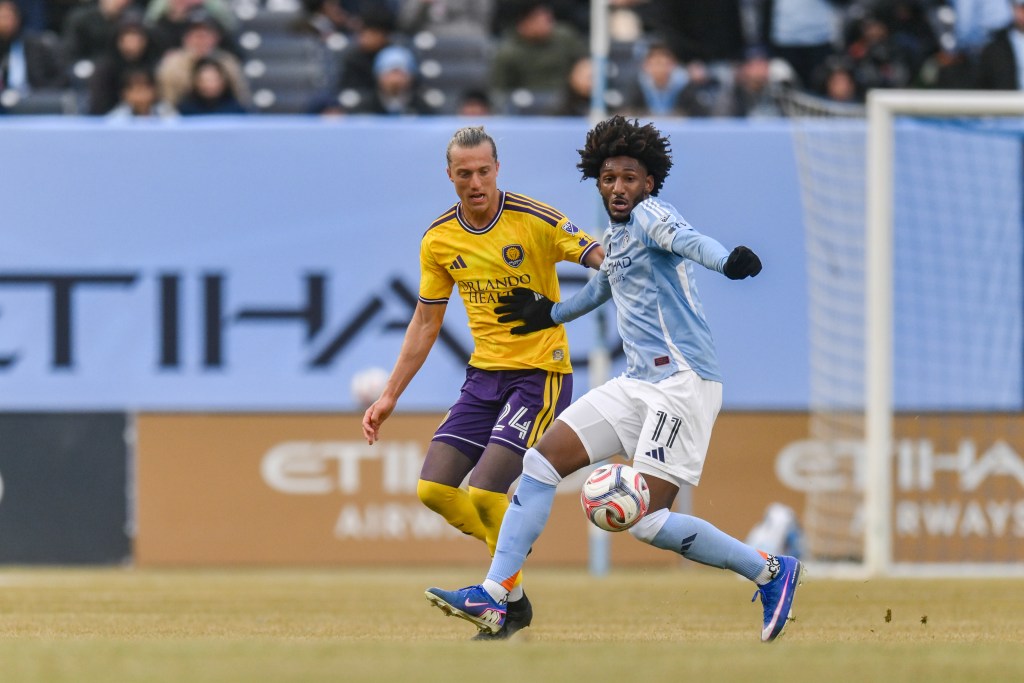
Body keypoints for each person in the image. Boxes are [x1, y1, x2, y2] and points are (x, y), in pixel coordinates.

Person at [424, 115, 803, 644]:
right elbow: (601, 289)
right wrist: (550, 314)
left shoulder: (652, 216)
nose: (619, 188)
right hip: (637, 383)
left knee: (645, 521)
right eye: (609, 179)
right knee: (539, 462)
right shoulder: (619, 237)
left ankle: (769, 571)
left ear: (649, 182)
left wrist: (726, 262)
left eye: (629, 178)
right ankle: (496, 593)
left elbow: (690, 241)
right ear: (597, 183)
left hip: (682, 384)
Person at [361, 125, 604, 640]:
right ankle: (510, 591)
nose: (475, 182)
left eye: (484, 171)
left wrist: (565, 307)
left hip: (540, 375)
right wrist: (389, 395)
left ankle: (498, 593)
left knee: (488, 487)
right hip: (483, 377)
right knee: (433, 489)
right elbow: (425, 323)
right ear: (449, 176)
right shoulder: (440, 238)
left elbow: (603, 260)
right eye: (464, 173)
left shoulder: (536, 221)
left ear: (498, 169)